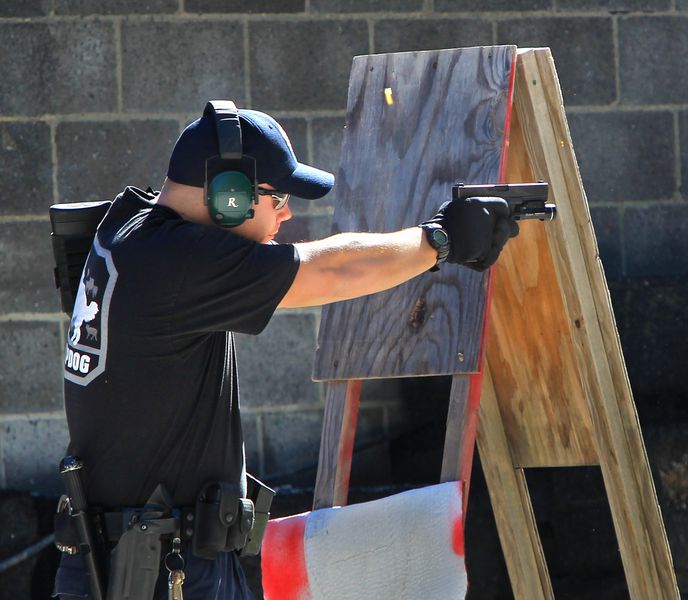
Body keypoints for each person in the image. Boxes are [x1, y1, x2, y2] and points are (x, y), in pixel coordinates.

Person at [52, 101, 518, 599]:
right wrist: (440, 241)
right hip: (160, 572)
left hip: (136, 559)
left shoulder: (127, 229)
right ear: (228, 196)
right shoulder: (178, 262)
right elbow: (330, 270)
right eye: (277, 199)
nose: (286, 213)